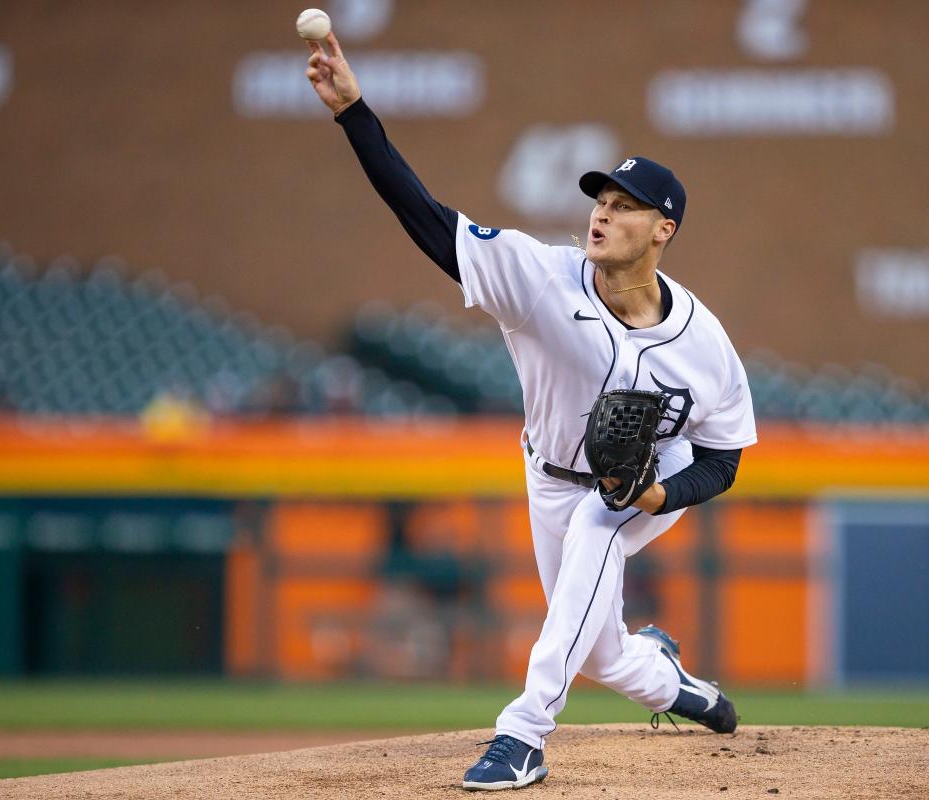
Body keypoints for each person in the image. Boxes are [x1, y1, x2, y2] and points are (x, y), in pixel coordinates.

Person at [305, 33, 757, 791]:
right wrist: (354, 112)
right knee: (604, 651)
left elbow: (726, 457)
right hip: (548, 473)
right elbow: (424, 216)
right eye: (600, 202)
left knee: (600, 524)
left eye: (624, 207)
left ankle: (523, 735)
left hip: (644, 481)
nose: (602, 216)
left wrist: (659, 495)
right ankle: (677, 683)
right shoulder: (541, 279)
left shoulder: (705, 344)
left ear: (663, 231)